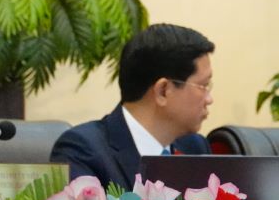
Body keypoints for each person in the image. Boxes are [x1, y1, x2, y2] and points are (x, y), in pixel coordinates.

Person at [50, 23, 214, 189]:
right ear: (163, 91)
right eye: (203, 86)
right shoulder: (83, 151)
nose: (209, 99)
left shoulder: (195, 147)